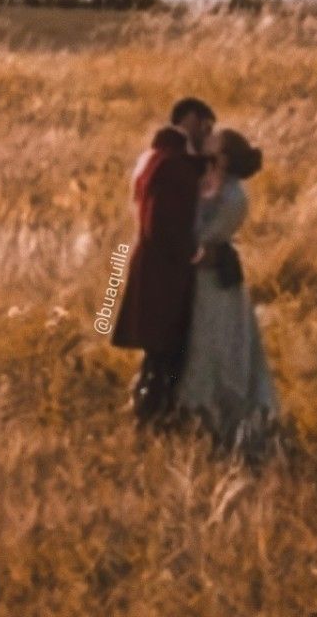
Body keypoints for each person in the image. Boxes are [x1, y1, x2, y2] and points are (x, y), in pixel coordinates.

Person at [174, 127, 279, 452]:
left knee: (217, 346)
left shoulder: (235, 197)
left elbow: (204, 237)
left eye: (212, 145)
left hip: (215, 285)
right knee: (202, 344)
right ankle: (195, 415)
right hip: (201, 279)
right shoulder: (210, 183)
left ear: (222, 158)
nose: (205, 144)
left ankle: (220, 419)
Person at [111, 95, 215, 424]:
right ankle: (153, 419)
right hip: (166, 272)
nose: (207, 134)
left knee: (157, 353)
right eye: (205, 125)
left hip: (153, 265)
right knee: (167, 352)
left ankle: (147, 413)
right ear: (191, 120)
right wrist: (192, 255)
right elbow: (163, 223)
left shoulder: (155, 157)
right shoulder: (170, 165)